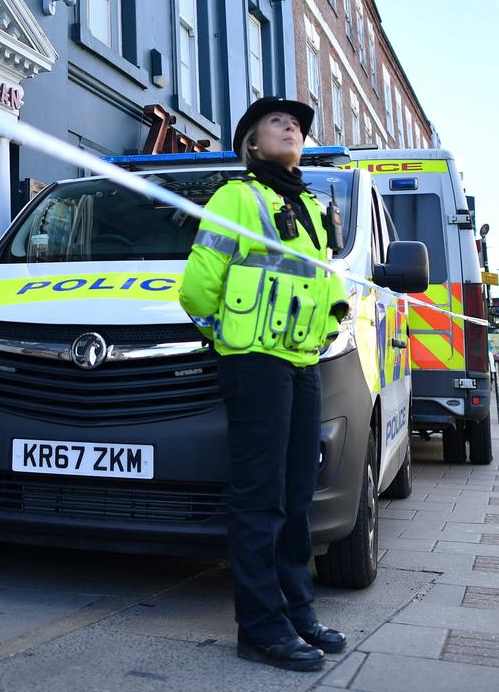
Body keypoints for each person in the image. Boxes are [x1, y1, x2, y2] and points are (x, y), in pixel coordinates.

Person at [179, 97, 349, 672]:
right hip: (254, 362)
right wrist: (227, 339)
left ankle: (296, 611)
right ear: (250, 143)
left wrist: (323, 334)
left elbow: (325, 289)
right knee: (261, 498)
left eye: (297, 124)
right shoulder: (237, 196)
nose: (292, 128)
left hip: (301, 363)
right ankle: (259, 627)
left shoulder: (311, 207)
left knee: (297, 495)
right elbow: (198, 289)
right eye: (278, 122)